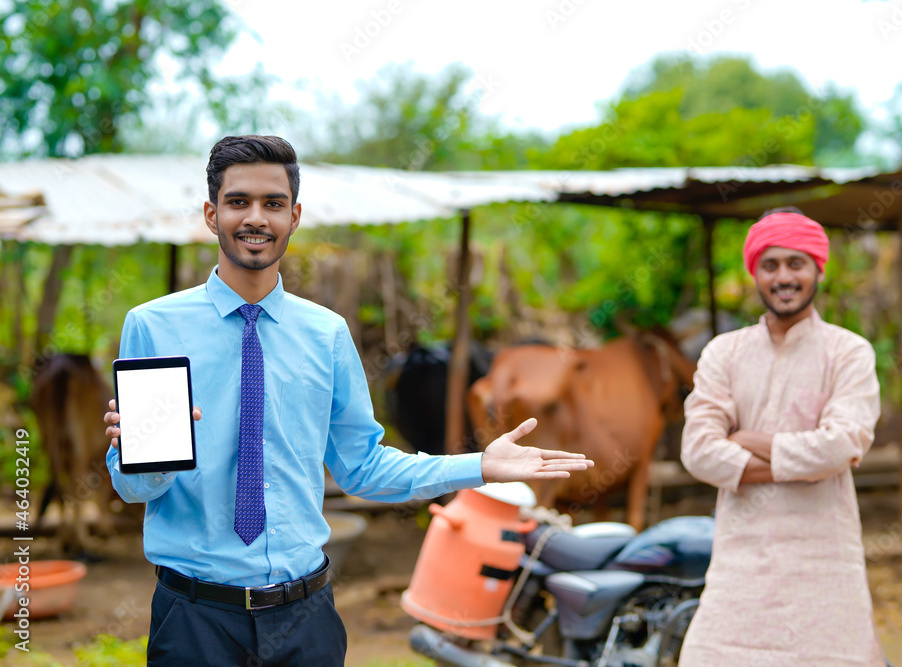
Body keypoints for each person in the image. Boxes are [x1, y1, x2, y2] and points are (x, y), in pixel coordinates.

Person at [103, 135, 593, 667]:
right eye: (238, 201)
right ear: (210, 212)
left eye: (272, 204)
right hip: (194, 620)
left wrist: (479, 465)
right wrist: (149, 453)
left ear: (294, 216)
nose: (255, 218)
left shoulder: (326, 334)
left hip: (304, 622)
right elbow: (132, 489)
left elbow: (362, 467)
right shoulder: (153, 326)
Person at [678, 208, 887, 666]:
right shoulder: (724, 353)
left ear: (818, 270)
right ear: (755, 273)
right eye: (770, 265)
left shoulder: (848, 351)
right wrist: (804, 463)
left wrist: (748, 439)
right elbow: (697, 451)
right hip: (740, 559)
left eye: (797, 263)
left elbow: (841, 444)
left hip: (824, 559)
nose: (784, 277)